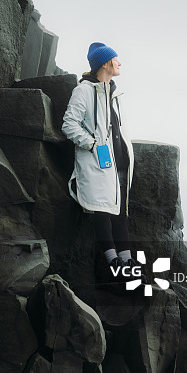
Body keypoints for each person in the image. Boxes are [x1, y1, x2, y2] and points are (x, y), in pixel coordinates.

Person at [62, 42, 136, 281]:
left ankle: (127, 264)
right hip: (97, 161)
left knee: (119, 212)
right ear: (105, 63)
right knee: (102, 210)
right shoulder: (83, 91)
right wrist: (93, 145)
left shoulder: (113, 94)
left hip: (117, 164)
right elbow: (69, 125)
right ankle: (112, 262)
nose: (120, 63)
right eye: (116, 59)